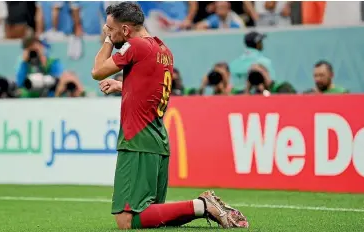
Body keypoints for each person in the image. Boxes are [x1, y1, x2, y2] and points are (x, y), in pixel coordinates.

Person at [91, 2, 249, 230]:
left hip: (137, 140)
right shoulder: (162, 49)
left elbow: (97, 71)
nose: (108, 32)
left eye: (110, 28)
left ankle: (202, 205)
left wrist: (107, 40)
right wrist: (121, 86)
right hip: (157, 140)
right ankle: (202, 206)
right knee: (153, 217)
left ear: (125, 30)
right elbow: (147, 86)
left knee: (127, 220)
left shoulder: (134, 46)